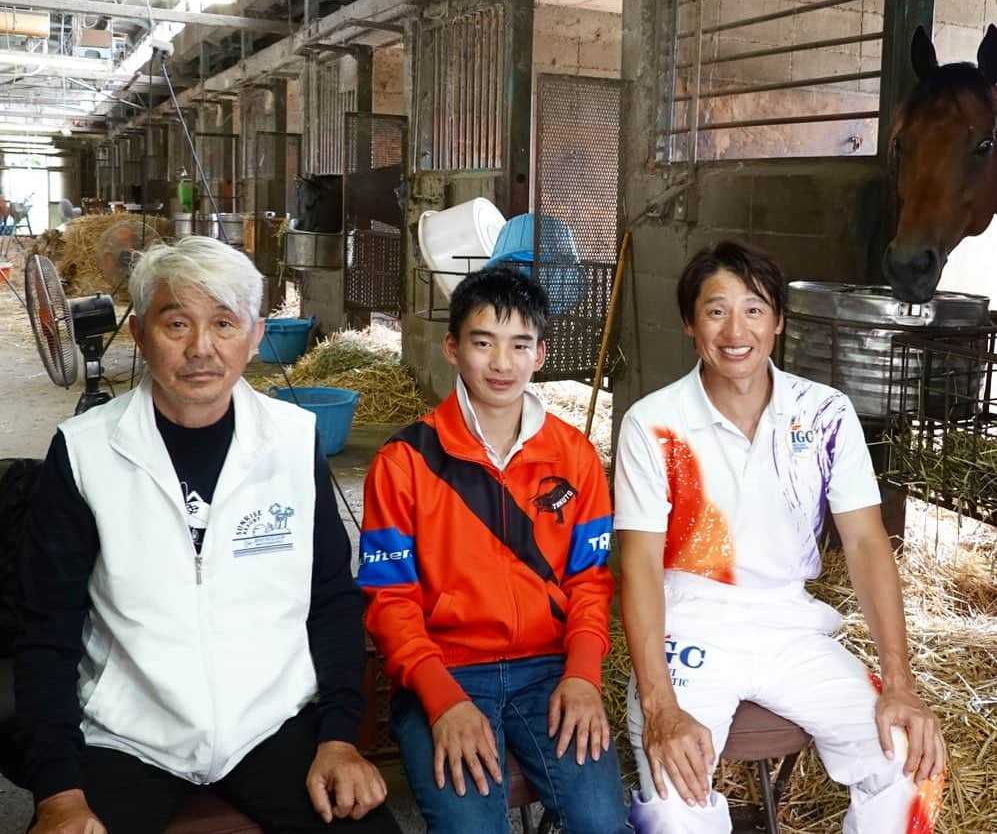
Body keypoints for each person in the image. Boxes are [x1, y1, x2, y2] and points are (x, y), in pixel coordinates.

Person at [15, 235, 400, 834]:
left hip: (272, 724)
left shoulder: (294, 442)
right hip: (129, 735)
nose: (202, 349)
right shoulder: (86, 452)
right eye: (176, 323)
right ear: (140, 335)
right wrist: (59, 792)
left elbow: (330, 600)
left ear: (255, 335)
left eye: (224, 323)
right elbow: (47, 630)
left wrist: (339, 739)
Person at [615, 240, 946, 834]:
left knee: (909, 763)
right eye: (716, 310)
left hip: (791, 627)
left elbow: (867, 542)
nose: (735, 329)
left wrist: (901, 684)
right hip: (690, 630)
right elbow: (637, 564)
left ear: (779, 322)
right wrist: (659, 704)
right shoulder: (653, 423)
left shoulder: (825, 413)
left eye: (754, 309)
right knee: (672, 807)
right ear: (690, 324)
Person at [360, 266, 629, 834]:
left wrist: (582, 675)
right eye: (483, 343)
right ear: (453, 348)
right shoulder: (404, 461)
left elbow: (590, 580)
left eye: (519, 345)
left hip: (550, 672)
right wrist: (440, 698)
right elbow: (390, 600)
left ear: (541, 354)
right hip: (448, 671)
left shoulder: (574, 455)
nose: (501, 363)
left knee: (603, 823)